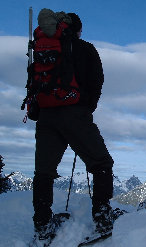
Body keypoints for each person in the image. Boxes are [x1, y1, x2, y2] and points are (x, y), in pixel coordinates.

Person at [32, 12, 114, 241]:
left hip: (46, 115)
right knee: (101, 163)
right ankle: (103, 218)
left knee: (44, 172)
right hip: (75, 113)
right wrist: (86, 107)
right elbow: (97, 80)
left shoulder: (43, 50)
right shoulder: (85, 48)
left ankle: (42, 226)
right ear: (76, 29)